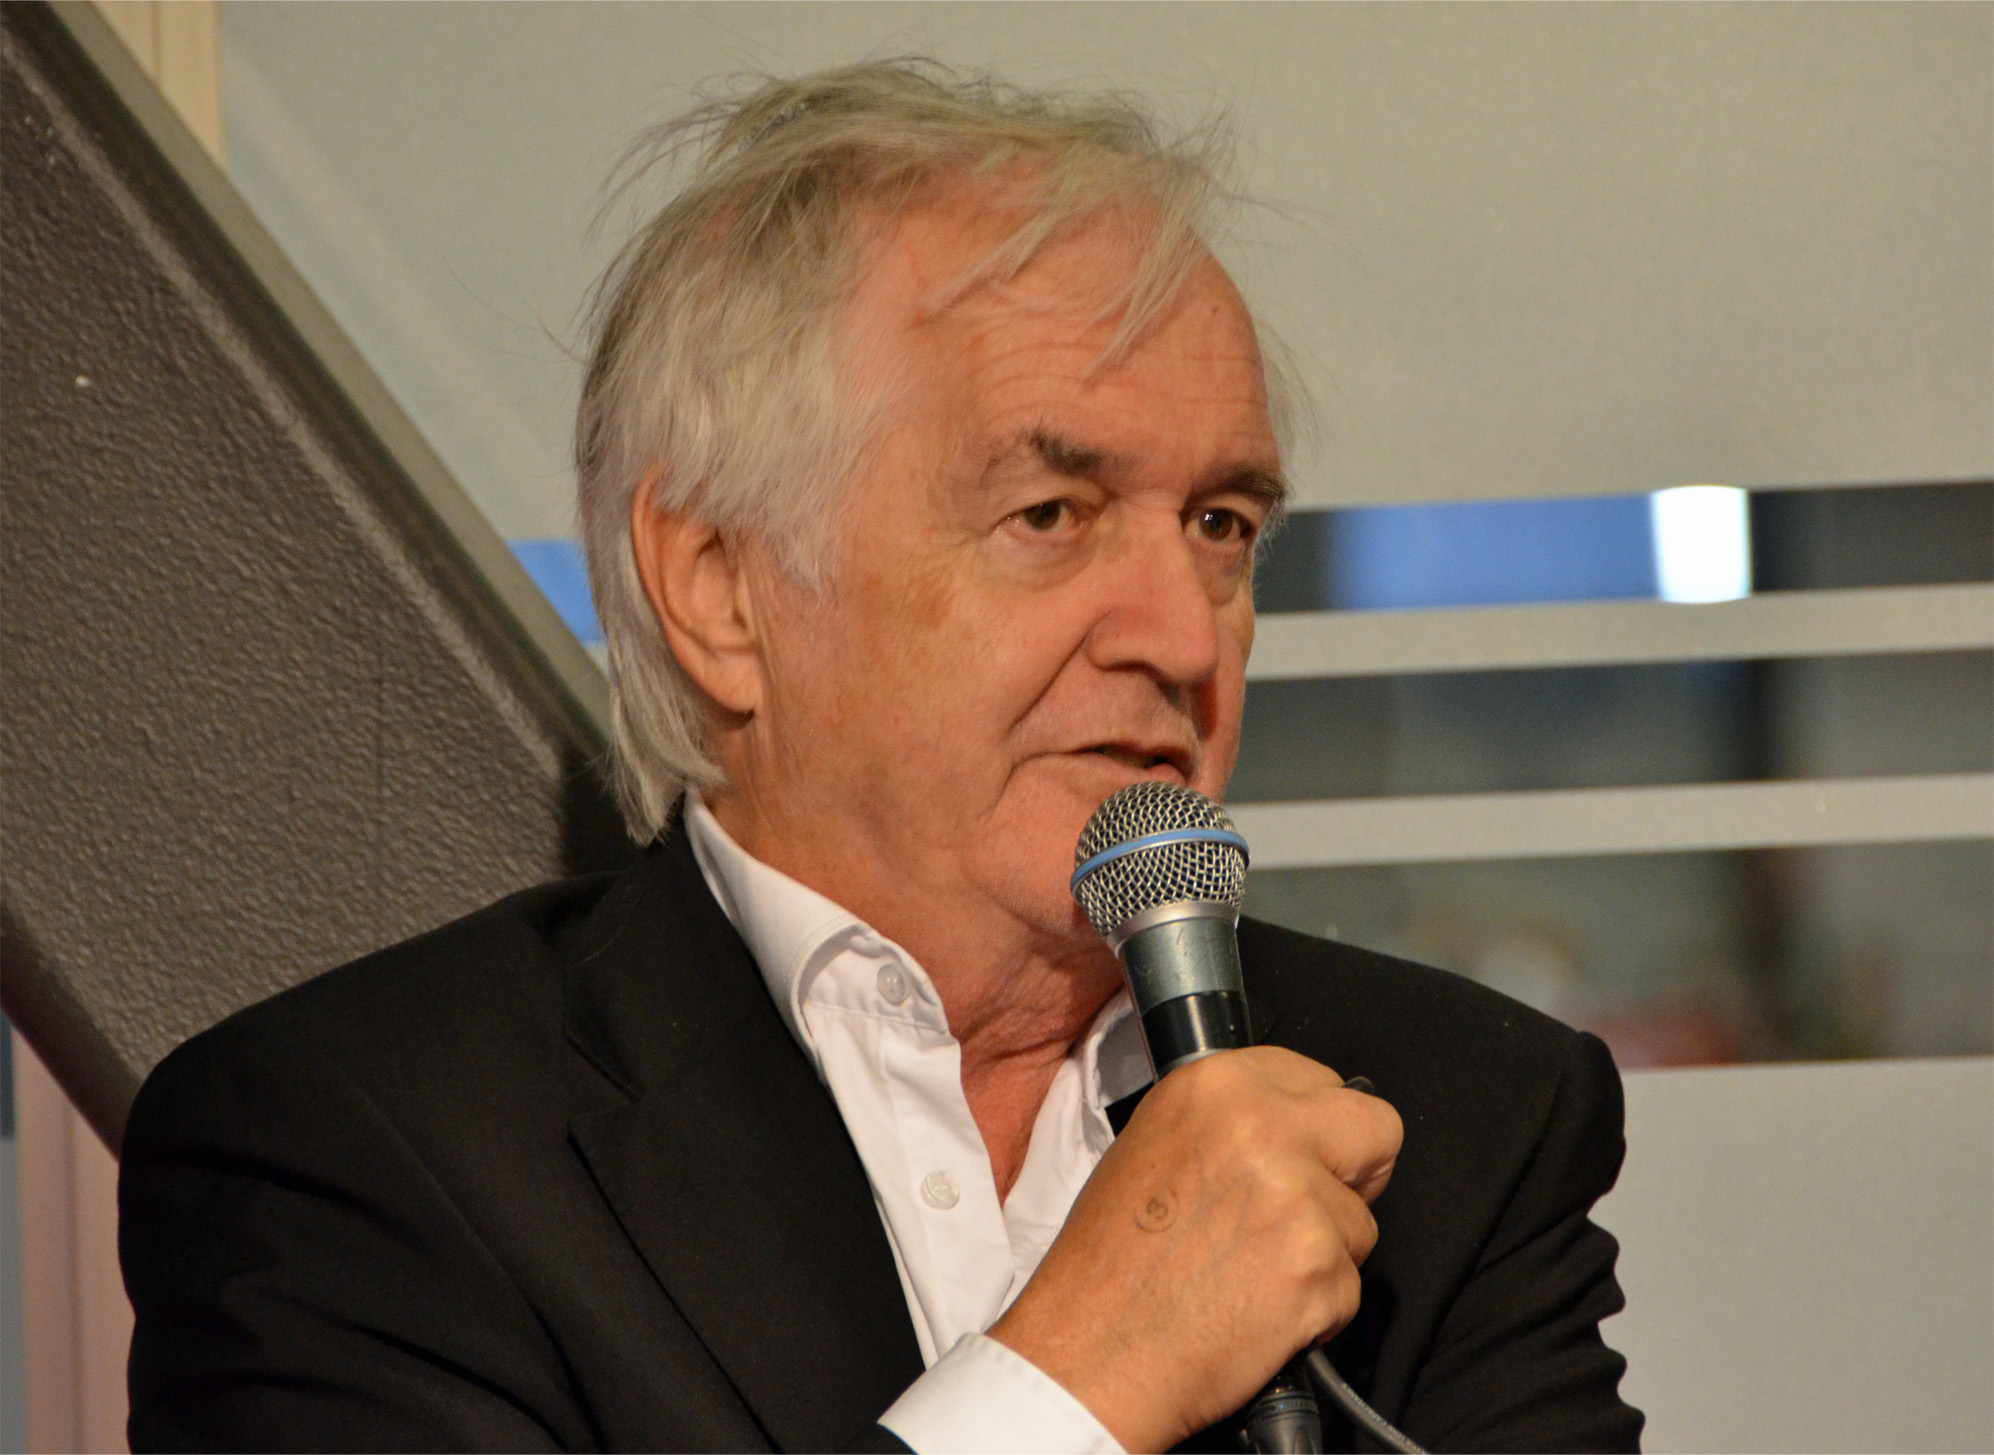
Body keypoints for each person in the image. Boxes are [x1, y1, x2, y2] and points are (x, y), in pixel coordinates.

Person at [120, 62, 1642, 1453]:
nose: (1186, 633)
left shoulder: (1456, 1118)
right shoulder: (361, 1150)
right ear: (720, 592)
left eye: (1219, 526)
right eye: (1049, 516)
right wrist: (1075, 1384)